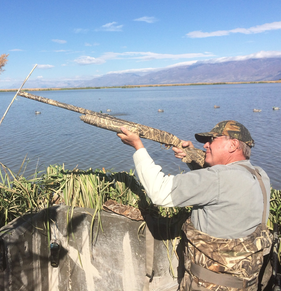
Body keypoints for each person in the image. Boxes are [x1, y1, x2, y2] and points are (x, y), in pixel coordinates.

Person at [117, 120, 272, 291]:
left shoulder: (218, 178)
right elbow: (216, 187)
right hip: (246, 283)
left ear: (233, 144)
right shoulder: (260, 175)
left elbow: (160, 191)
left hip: (210, 285)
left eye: (212, 140)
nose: (206, 145)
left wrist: (138, 147)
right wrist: (190, 155)